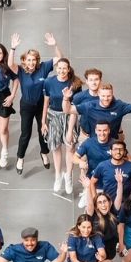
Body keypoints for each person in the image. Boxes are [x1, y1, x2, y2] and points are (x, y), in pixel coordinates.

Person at [11, 33, 63, 175]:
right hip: (27, 106)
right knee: (25, 133)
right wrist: (13, 48)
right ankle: (20, 158)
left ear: (37, 60)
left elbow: (60, 59)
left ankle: (44, 153)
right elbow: (10, 64)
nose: (31, 62)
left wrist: (54, 46)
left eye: (34, 60)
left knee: (43, 131)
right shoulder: (21, 71)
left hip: (42, 105)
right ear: (24, 61)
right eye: (29, 60)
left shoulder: (44, 68)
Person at [42, 58, 80, 194]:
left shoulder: (75, 84)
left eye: (65, 68)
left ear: (68, 69)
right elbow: (46, 103)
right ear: (56, 68)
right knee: (55, 147)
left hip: (69, 116)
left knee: (70, 147)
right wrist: (43, 122)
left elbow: (75, 108)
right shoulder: (48, 82)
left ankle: (68, 176)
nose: (62, 71)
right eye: (59, 68)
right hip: (53, 116)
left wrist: (70, 130)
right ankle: (58, 175)